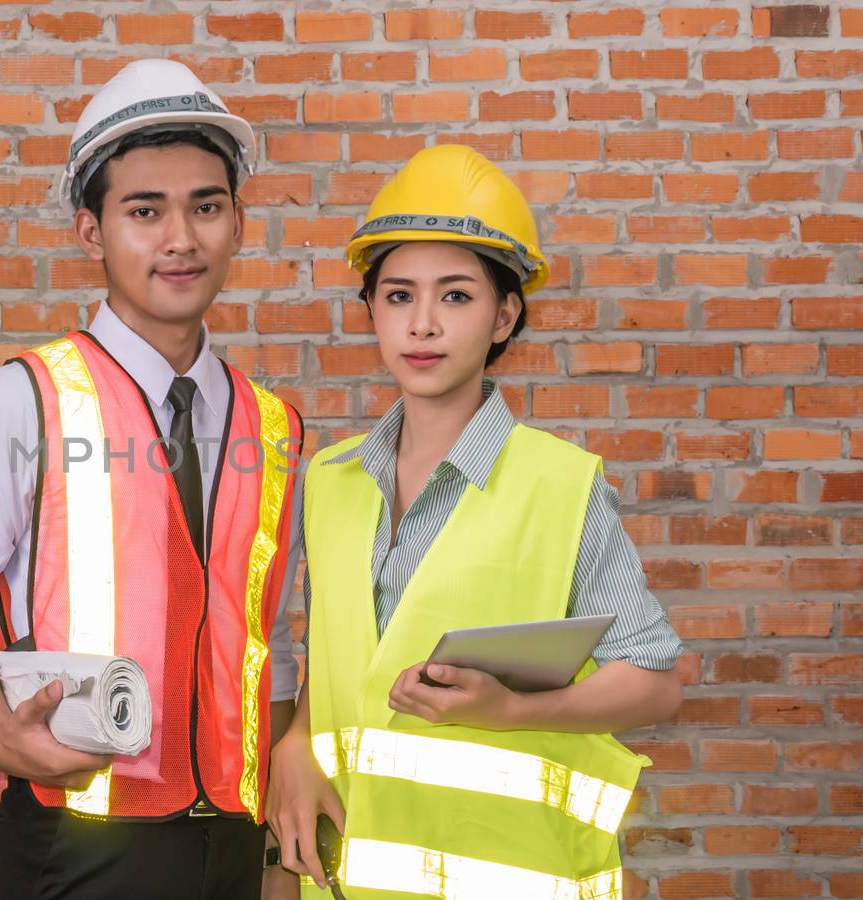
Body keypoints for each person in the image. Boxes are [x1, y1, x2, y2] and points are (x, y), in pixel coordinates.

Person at [0, 59, 306, 899]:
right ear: (91, 231)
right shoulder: (16, 402)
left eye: (206, 206)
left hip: (235, 840)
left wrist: (273, 844)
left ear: (238, 222)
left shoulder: (274, 427)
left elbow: (267, 641)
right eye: (144, 211)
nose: (180, 238)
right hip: (74, 832)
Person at [265, 144, 685, 899]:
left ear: (505, 316)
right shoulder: (327, 482)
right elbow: (330, 665)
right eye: (398, 297)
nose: (422, 324)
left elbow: (654, 682)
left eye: (455, 296)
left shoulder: (563, 487)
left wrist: (514, 709)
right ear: (371, 312)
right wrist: (293, 742)